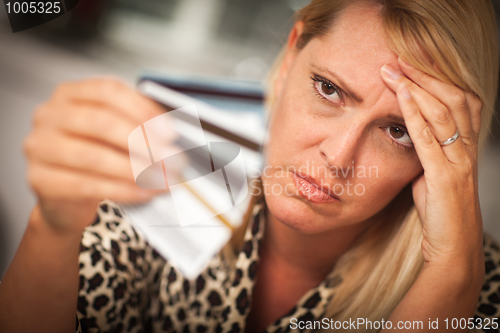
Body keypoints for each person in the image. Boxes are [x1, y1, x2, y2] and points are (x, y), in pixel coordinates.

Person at [0, 0, 499, 332]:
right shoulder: (170, 174)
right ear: (289, 57)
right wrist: (53, 226)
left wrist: (451, 274)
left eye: (400, 132)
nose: (339, 157)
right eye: (329, 89)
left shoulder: (479, 292)